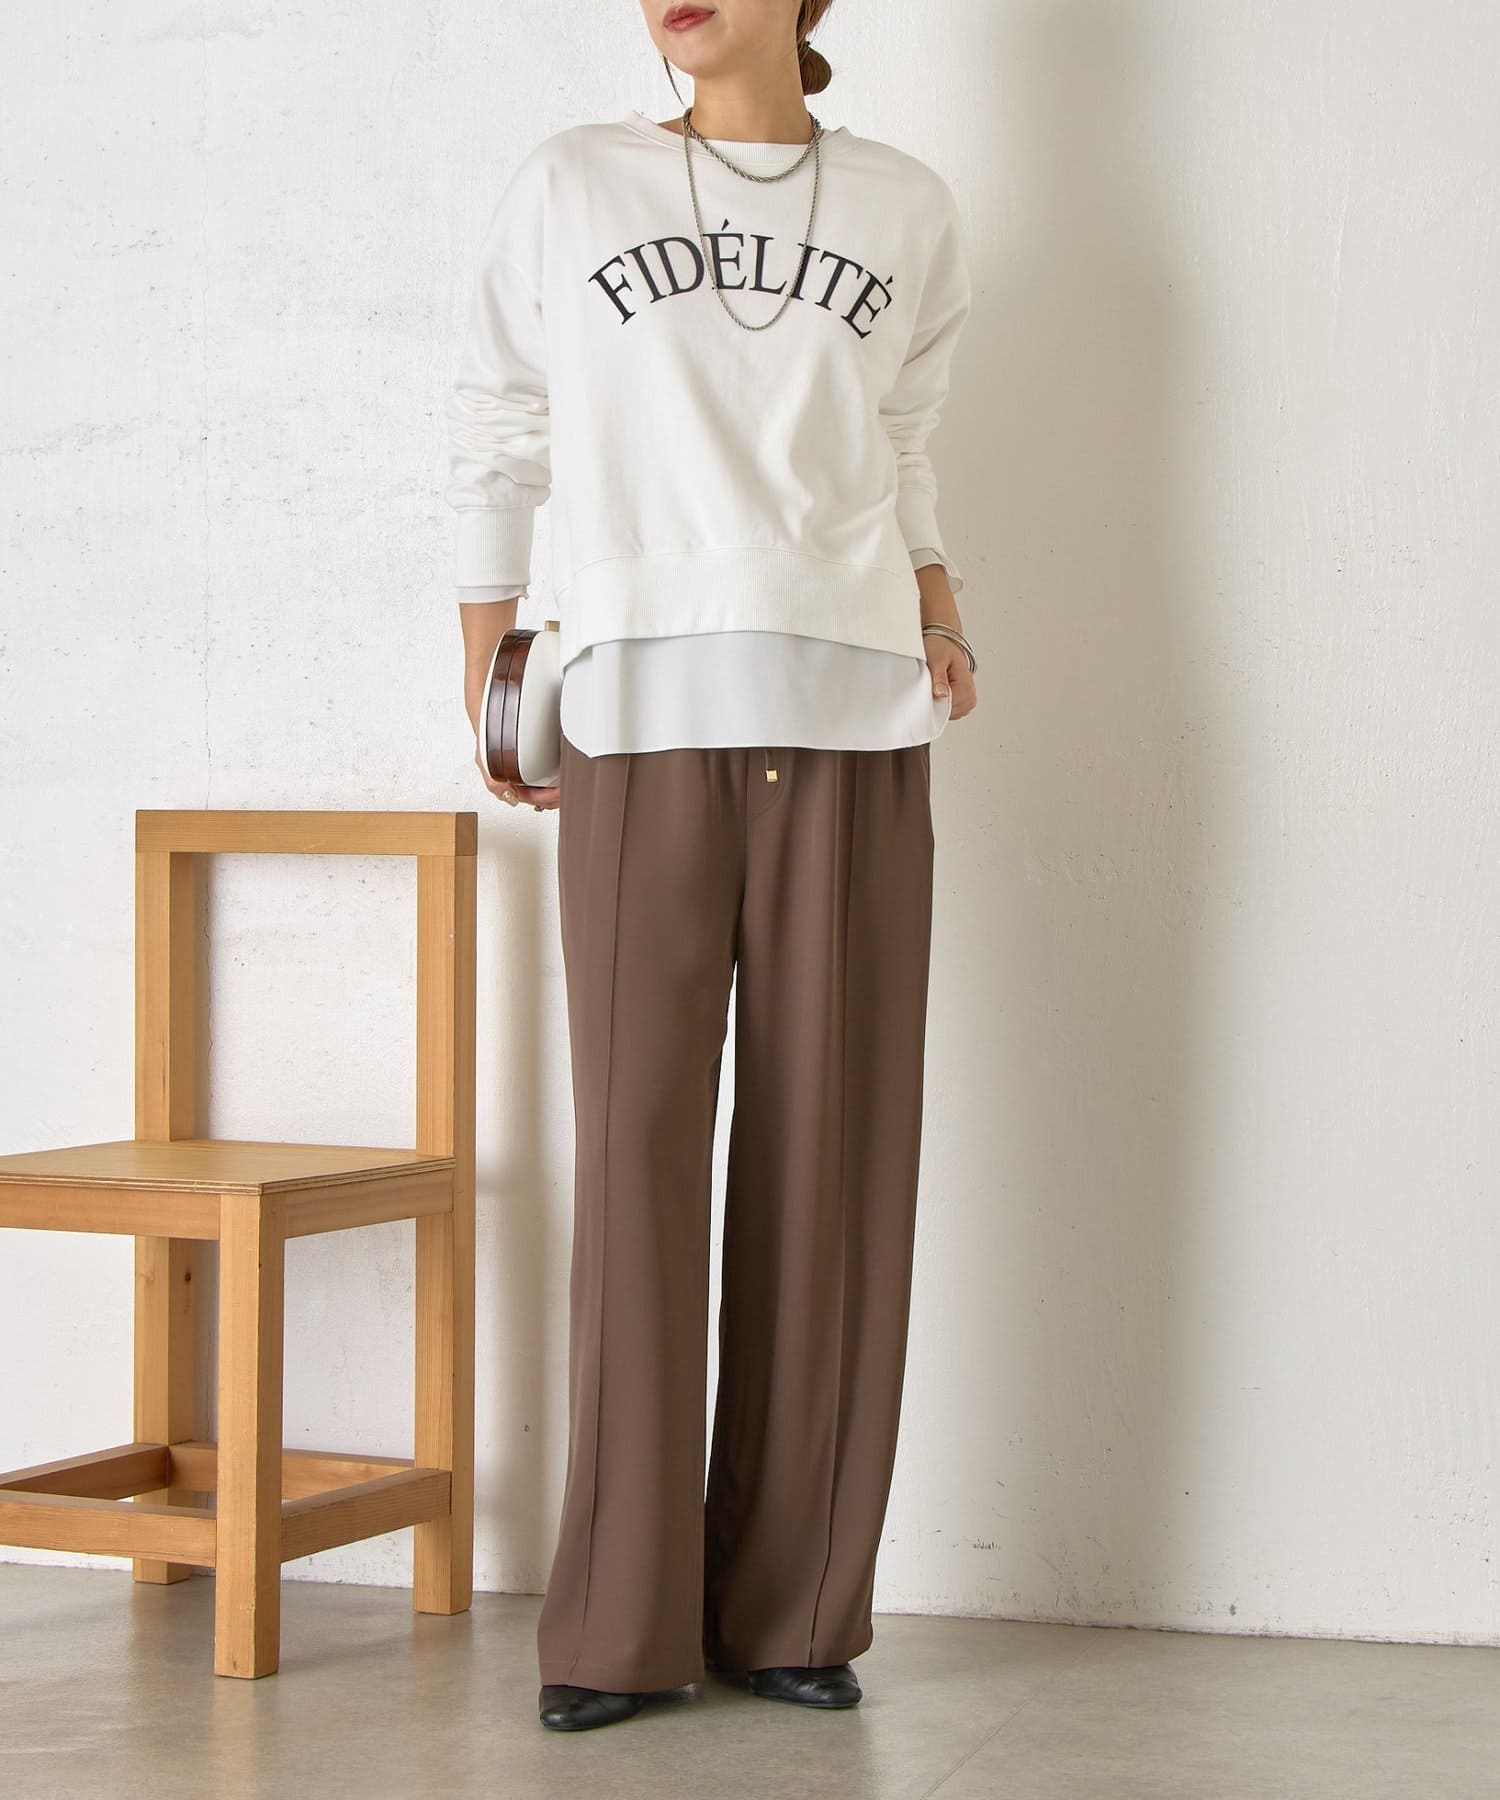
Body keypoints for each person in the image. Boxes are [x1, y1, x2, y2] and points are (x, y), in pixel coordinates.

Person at [444, 0, 977, 1734]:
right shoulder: (574, 182)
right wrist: (490, 668)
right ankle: (617, 1624)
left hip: (853, 708)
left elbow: (902, 442)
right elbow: (500, 418)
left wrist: (941, 605)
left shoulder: (902, 204)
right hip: (637, 709)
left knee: (835, 1161)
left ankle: (796, 1609)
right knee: (638, 1159)